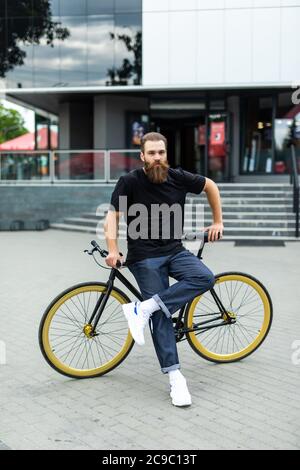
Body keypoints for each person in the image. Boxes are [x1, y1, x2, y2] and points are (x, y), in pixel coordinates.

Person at [104, 132, 223, 407]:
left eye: (161, 152)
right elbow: (113, 217)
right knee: (162, 315)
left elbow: (211, 186)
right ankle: (175, 378)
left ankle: (143, 308)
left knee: (204, 277)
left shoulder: (178, 177)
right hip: (144, 256)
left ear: (165, 154)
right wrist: (112, 249)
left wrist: (218, 221)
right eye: (152, 153)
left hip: (175, 251)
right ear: (142, 156)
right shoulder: (130, 181)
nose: (157, 157)